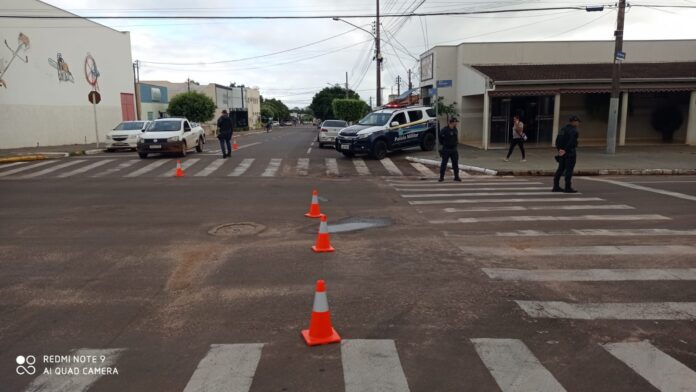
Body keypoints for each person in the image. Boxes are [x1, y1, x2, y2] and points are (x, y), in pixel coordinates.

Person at [553, 115, 581, 193]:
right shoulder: (574, 131)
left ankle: (556, 186)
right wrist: (565, 150)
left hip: (562, 153)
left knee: (560, 169)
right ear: (574, 122)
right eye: (577, 122)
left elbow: (557, 140)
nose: (578, 123)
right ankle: (567, 187)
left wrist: (560, 150)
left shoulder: (563, 129)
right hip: (570, 153)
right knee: (569, 170)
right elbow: (571, 142)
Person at [438, 117, 462, 182]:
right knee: (444, 164)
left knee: (455, 163)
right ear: (452, 122)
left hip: (454, 149)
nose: (456, 123)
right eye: (455, 122)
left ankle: (456, 177)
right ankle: (441, 177)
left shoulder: (455, 129)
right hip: (446, 149)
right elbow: (440, 136)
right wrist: (443, 143)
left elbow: (456, 138)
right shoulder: (445, 130)